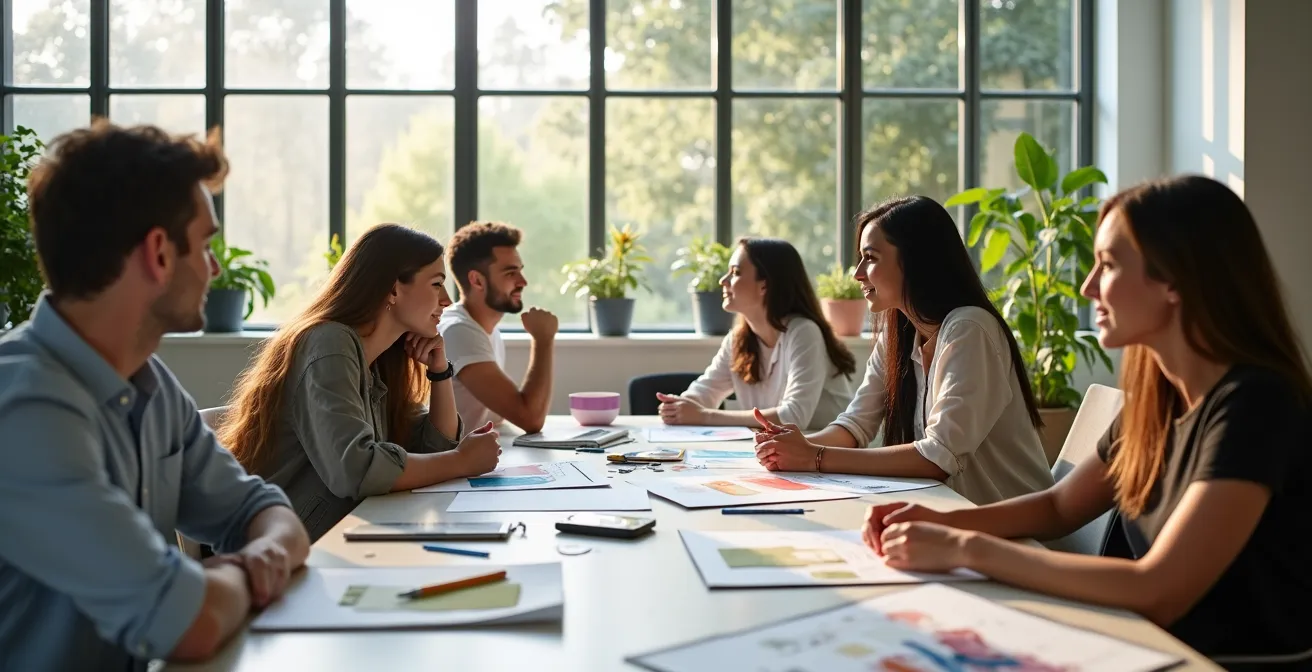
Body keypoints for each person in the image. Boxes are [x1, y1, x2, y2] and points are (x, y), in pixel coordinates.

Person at [862, 176, 1312, 667]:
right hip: (1143, 646)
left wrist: (966, 546)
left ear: (1177, 281)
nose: (1087, 285)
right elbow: (1059, 507)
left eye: (1110, 265)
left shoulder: (1256, 405)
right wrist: (934, 519)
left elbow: (1159, 589)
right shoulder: (1158, 401)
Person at [0, 121, 310, 669]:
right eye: (206, 244)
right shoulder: (24, 411)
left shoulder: (150, 383)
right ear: (159, 253)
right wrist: (242, 572)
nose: (215, 268)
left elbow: (265, 512)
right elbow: (186, 623)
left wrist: (252, 557)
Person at [754, 196, 1053, 504]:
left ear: (915, 260)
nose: (857, 273)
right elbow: (856, 425)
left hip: (1011, 530)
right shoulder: (899, 333)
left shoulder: (970, 329)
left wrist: (814, 456)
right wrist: (793, 446)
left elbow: (938, 457)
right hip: (951, 516)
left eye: (870, 258)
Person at [220, 224, 503, 543]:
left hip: (331, 538)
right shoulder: (328, 343)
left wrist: (439, 372)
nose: (447, 300)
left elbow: (431, 448)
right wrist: (462, 461)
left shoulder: (378, 360)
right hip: (276, 553)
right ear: (393, 290)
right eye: (437, 284)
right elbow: (355, 471)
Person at [657, 237, 857, 429]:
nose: (723, 281)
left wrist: (704, 416)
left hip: (827, 456)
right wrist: (680, 406)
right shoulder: (738, 339)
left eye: (735, 272)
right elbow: (705, 392)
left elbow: (794, 417)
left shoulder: (804, 332)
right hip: (779, 454)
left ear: (765, 285)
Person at [440, 222, 558, 434]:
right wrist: (543, 339)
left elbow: (495, 417)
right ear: (477, 280)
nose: (523, 282)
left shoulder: (486, 329)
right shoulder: (459, 331)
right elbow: (530, 419)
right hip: (452, 463)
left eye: (520, 271)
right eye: (510, 273)